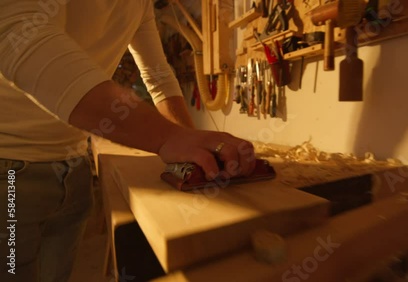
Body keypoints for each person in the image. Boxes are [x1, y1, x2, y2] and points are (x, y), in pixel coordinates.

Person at [0, 1, 256, 281]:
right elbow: (19, 36)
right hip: (11, 173)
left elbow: (158, 74)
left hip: (73, 165)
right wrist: (168, 137)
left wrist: (195, 154)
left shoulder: (140, 5)